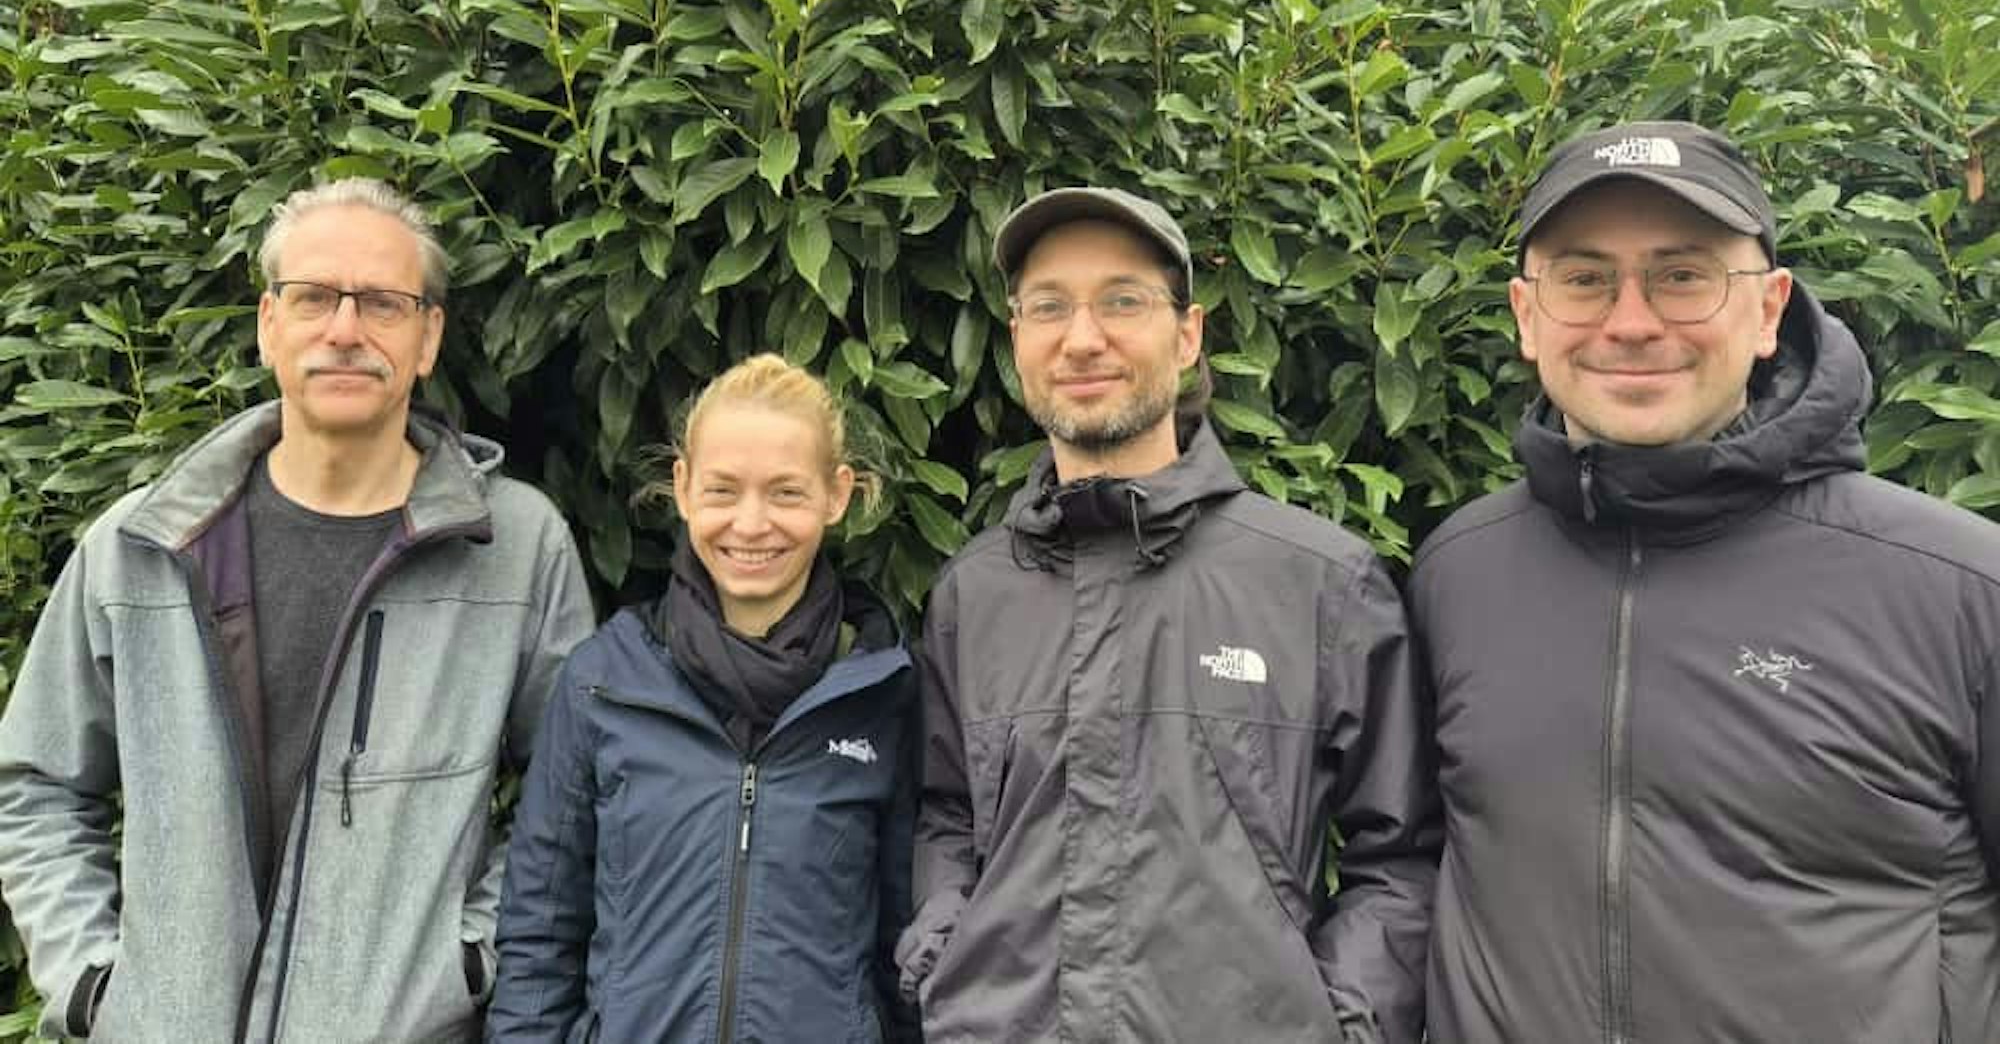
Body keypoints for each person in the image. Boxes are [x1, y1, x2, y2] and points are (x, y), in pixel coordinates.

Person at [1412, 120, 2000, 1042]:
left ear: (1768, 309)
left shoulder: (1959, 587)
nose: (1631, 322)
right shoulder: (1459, 573)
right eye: (1584, 279)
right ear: (1527, 315)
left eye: (1683, 276)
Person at [0, 178, 595, 1042]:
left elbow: (573, 797)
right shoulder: (142, 547)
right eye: (314, 296)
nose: (345, 330)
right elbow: (35, 784)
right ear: (268, 323)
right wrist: (93, 982)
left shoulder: (516, 547)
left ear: (428, 337)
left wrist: (467, 964)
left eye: (383, 303)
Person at [896, 188, 1439, 1043]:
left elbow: (1400, 856)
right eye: (1050, 306)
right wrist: (943, 966)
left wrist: (1343, 1027)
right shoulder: (975, 593)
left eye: (1122, 301)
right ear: (1016, 337)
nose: (1083, 338)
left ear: (1187, 336)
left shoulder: (1319, 583)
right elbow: (947, 819)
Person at [487, 353, 921, 1043]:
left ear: (836, 495)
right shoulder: (604, 684)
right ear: (684, 487)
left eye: (786, 492)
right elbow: (540, 934)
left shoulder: (880, 693)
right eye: (723, 490)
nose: (750, 524)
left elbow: (905, 947)